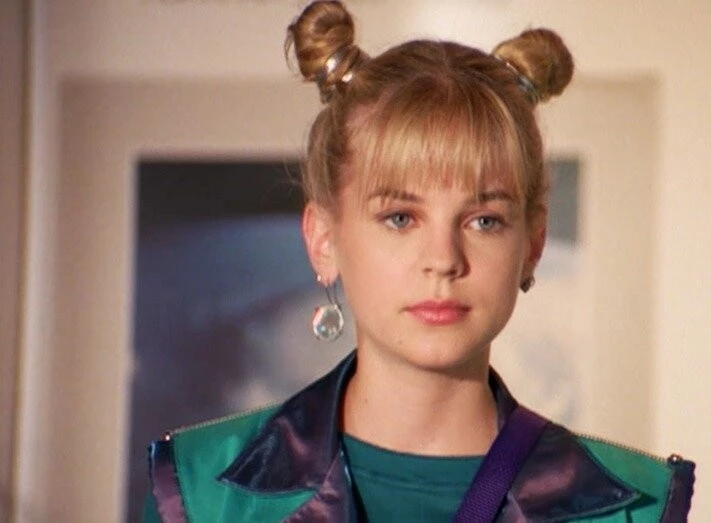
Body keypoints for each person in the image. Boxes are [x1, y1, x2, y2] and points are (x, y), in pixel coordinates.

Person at [142, 1, 695, 521]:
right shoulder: (200, 493)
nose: (443, 260)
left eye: (484, 221)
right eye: (401, 218)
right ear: (324, 239)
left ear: (533, 243)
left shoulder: (631, 508)